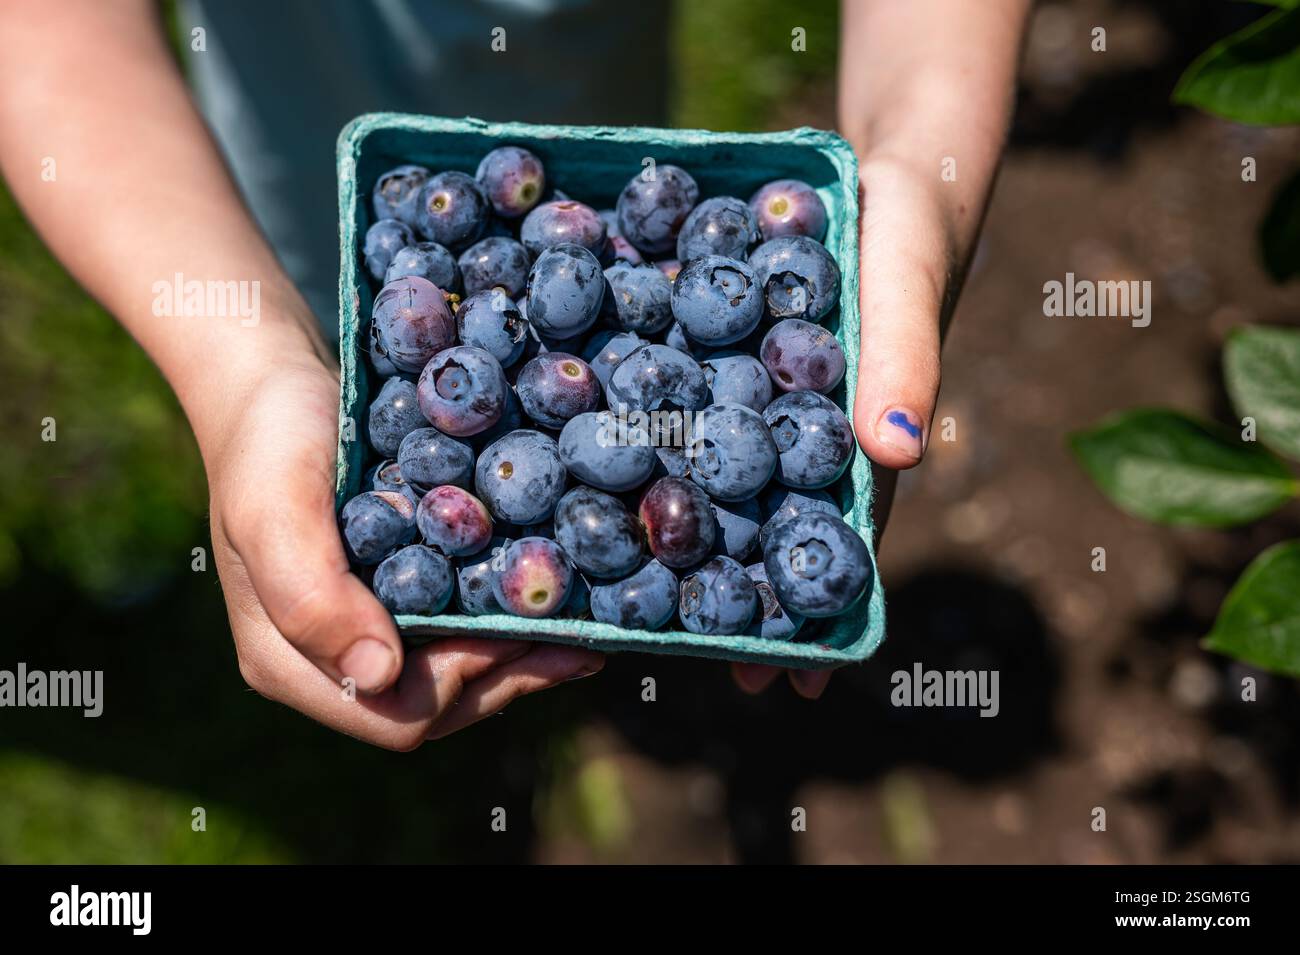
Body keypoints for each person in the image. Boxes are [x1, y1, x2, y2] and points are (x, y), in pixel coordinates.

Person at [0, 0, 1032, 749]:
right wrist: (242, 365)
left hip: (571, 96)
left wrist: (916, 168)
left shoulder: (601, 311)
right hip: (274, 129)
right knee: (348, 315)